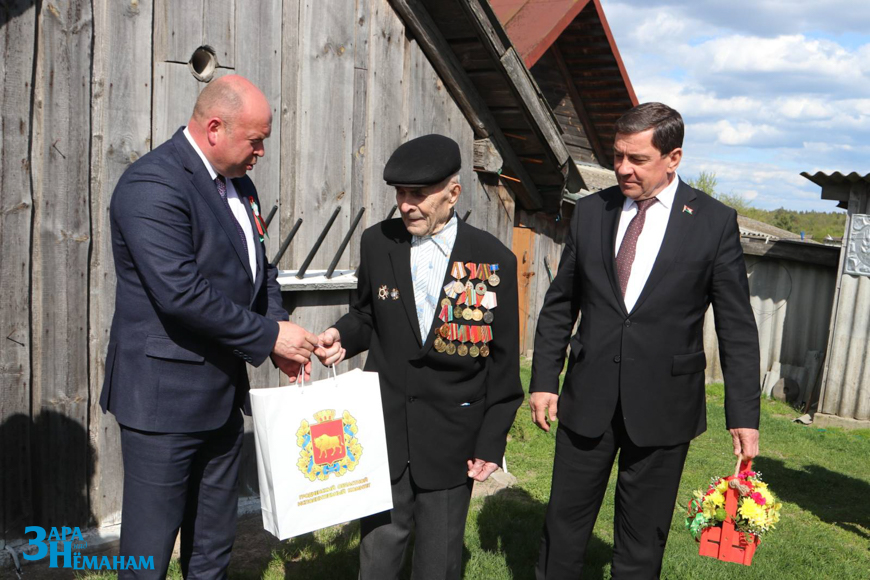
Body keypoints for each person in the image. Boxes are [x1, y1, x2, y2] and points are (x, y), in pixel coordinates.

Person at [529, 102, 761, 579]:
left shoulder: (713, 222)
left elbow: (736, 327)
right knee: (563, 527)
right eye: (618, 156)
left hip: (664, 405)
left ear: (673, 158)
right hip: (588, 396)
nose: (622, 169)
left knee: (641, 541)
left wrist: (743, 416)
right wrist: (545, 380)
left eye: (637, 159)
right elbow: (560, 304)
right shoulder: (592, 211)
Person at [100, 74, 318, 579]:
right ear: (215, 128)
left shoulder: (241, 185)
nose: (261, 152)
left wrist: (278, 328)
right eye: (255, 140)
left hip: (221, 398)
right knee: (148, 554)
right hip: (163, 404)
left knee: (213, 547)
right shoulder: (152, 184)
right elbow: (181, 293)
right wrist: (269, 337)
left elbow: (260, 272)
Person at [314, 134, 523, 580]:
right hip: (385, 428)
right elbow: (366, 314)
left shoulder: (492, 260)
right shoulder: (378, 243)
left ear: (453, 193)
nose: (406, 205)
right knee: (378, 554)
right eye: (400, 194)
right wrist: (341, 335)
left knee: (438, 561)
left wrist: (491, 441)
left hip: (451, 437)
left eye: (419, 194)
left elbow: (504, 364)